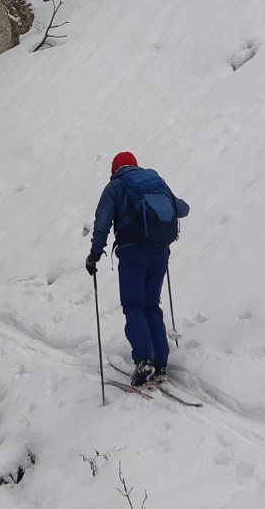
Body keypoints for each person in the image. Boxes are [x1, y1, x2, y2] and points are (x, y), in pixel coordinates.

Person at [86, 151, 189, 387]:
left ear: (115, 170)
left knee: (134, 306)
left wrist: (94, 255)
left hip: (133, 253)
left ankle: (144, 360)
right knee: (151, 305)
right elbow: (183, 209)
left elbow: (102, 222)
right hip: (160, 252)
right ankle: (161, 363)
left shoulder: (115, 187)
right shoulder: (155, 183)